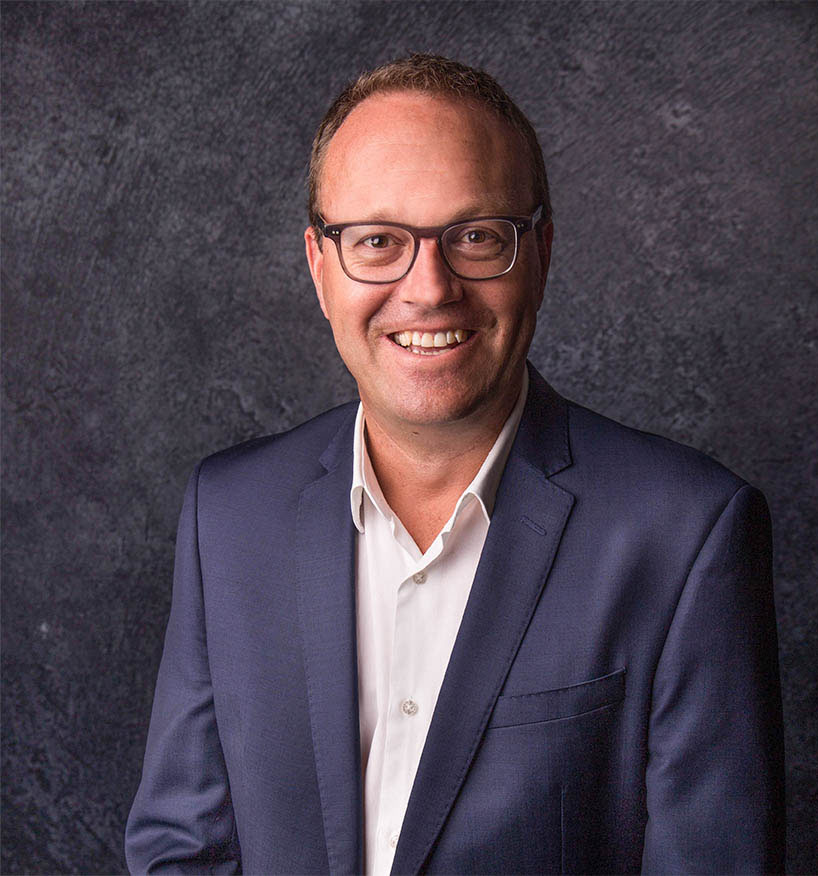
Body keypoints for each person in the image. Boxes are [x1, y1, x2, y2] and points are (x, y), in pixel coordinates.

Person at [125, 54, 784, 875]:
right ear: (318, 266)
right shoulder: (227, 513)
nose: (429, 288)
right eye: (377, 241)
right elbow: (183, 850)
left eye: (476, 237)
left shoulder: (687, 533)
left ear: (539, 252)